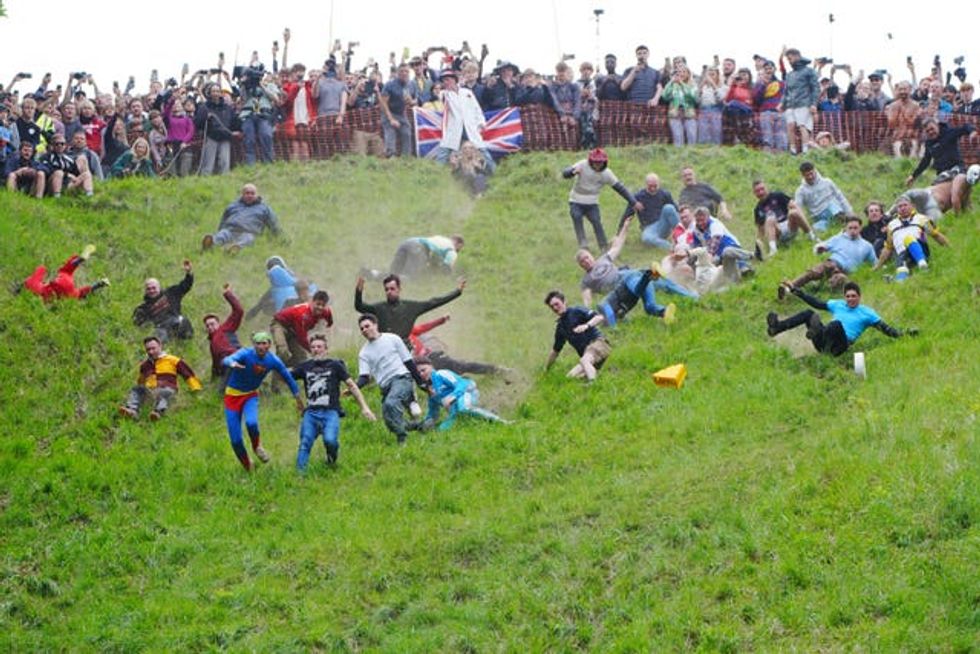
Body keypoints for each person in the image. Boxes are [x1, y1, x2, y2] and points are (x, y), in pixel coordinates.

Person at [290, 334, 375, 471]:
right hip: (311, 413)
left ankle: (331, 461)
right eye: (313, 347)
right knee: (305, 442)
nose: (316, 349)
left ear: (326, 349)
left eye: (319, 347)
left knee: (330, 441)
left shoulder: (335, 365)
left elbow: (352, 385)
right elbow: (286, 377)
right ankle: (300, 476)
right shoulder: (305, 367)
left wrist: (364, 408)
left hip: (330, 412)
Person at [222, 332, 304, 470]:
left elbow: (288, 378)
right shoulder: (245, 353)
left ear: (269, 345)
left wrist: (298, 398)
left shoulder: (273, 360)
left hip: (250, 396)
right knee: (235, 440)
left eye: (264, 343)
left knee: (251, 423)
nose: (261, 347)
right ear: (254, 345)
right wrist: (232, 363)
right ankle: (248, 465)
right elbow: (227, 359)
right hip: (232, 397)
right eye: (258, 344)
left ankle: (257, 447)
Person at [767, 282, 908, 356]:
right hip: (822, 342)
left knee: (836, 324)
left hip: (839, 346)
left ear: (859, 296)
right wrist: (800, 294)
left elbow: (886, 329)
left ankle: (815, 330)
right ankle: (777, 328)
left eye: (853, 296)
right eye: (848, 296)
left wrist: (905, 335)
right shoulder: (838, 304)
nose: (850, 299)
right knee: (809, 313)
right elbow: (818, 303)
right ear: (844, 297)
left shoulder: (867, 313)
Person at [355, 313, 430, 444]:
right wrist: (354, 387)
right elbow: (364, 377)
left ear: (375, 325)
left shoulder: (392, 338)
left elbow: (408, 362)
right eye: (361, 329)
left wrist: (420, 383)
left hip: (402, 378)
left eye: (367, 326)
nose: (364, 330)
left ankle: (402, 440)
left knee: (391, 403)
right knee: (389, 422)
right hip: (385, 387)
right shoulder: (364, 353)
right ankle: (421, 425)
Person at [354, 274, 465, 349]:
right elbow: (359, 307)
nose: (389, 292)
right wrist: (358, 291)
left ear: (399, 289)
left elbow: (434, 302)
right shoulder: (378, 308)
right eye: (386, 289)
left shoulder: (411, 307)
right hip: (384, 348)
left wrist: (457, 292)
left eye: (392, 289)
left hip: (405, 349)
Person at [562, 148, 641, 250]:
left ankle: (603, 246)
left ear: (604, 162)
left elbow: (620, 188)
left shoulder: (607, 173)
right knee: (576, 217)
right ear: (591, 161)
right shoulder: (582, 164)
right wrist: (572, 172)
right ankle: (583, 244)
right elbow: (565, 173)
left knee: (596, 221)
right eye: (595, 162)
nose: (597, 165)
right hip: (576, 200)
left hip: (592, 202)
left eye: (600, 163)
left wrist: (633, 202)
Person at [779, 216, 877, 298]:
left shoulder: (867, 246)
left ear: (860, 228)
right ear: (846, 228)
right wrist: (820, 249)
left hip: (844, 272)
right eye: (850, 228)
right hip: (832, 263)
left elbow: (875, 263)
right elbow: (821, 246)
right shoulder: (839, 238)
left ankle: (819, 286)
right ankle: (790, 287)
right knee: (818, 270)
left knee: (840, 280)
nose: (852, 231)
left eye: (855, 228)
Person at [118, 336, 202, 421]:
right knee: (137, 388)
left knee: (165, 392)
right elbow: (141, 381)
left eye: (153, 348)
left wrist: (196, 389)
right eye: (148, 349)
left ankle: (158, 413)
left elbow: (188, 374)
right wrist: (141, 390)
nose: (151, 352)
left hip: (168, 389)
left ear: (160, 346)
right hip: (151, 392)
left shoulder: (173, 360)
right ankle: (132, 410)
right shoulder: (144, 365)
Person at [416, 357, 507, 431]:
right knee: (441, 430)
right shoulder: (430, 390)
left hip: (467, 392)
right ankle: (486, 412)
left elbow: (462, 384)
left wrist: (453, 396)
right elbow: (433, 412)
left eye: (423, 370)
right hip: (455, 409)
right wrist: (427, 422)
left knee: (463, 408)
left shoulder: (441, 374)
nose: (421, 374)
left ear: (431, 366)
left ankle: (501, 421)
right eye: (418, 373)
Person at [431, 69, 495, 171]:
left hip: (470, 127)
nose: (445, 82)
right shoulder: (444, 94)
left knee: (482, 150)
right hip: (454, 128)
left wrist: (481, 122)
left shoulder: (467, 92)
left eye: (448, 79)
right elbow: (440, 96)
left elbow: (476, 108)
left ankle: (494, 174)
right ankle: (436, 177)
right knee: (444, 153)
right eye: (444, 80)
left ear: (454, 80)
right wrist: (449, 89)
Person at [874, 195, 950, 279]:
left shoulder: (921, 218)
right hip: (903, 255)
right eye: (900, 206)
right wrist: (878, 266)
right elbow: (888, 248)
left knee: (908, 238)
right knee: (901, 269)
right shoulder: (891, 225)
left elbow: (936, 235)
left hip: (921, 250)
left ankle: (922, 263)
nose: (903, 208)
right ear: (897, 209)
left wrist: (949, 248)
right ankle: (898, 281)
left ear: (912, 206)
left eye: (905, 205)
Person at [544, 290, 610, 383]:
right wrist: (546, 369)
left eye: (556, 304)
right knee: (570, 377)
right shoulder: (560, 328)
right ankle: (595, 375)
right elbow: (555, 351)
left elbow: (599, 317)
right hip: (588, 356)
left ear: (564, 301)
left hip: (598, 344)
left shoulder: (576, 311)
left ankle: (593, 384)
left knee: (584, 361)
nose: (555, 308)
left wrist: (587, 325)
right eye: (552, 307)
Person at [409, 315, 508, 377]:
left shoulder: (407, 330)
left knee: (462, 366)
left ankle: (496, 370)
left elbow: (423, 327)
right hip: (419, 369)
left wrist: (441, 320)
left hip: (432, 358)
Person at [201, 183, 282, 253]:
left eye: (252, 193)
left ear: (257, 195)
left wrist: (279, 237)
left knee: (248, 239)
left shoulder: (264, 208)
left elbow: (273, 223)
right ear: (242, 194)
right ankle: (211, 244)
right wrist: (220, 230)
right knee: (222, 234)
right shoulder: (233, 206)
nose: (250, 195)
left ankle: (234, 249)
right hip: (230, 230)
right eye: (247, 193)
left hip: (248, 232)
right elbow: (223, 221)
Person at [132, 259, 194, 342]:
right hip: (162, 329)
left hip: (177, 322)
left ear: (159, 287)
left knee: (183, 321)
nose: (151, 291)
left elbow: (185, 286)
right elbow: (138, 324)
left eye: (154, 288)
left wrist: (189, 273)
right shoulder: (143, 308)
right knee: (159, 335)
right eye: (148, 289)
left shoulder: (171, 293)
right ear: (145, 291)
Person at [19, 244, 108, 301]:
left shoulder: (40, 291)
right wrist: (42, 271)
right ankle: (79, 260)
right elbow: (40, 269)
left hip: (64, 293)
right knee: (66, 271)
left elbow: (31, 280)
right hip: (64, 284)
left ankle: (101, 283)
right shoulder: (36, 286)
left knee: (80, 293)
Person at [271, 290, 333, 369]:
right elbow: (301, 338)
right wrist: (312, 350)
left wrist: (329, 325)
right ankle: (275, 371)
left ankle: (283, 370)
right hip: (279, 324)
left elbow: (329, 320)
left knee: (301, 358)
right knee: (283, 351)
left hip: (293, 331)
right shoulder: (303, 314)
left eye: (323, 305)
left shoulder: (325, 311)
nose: (320, 307)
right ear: (312, 302)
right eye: (318, 304)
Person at [752, 179, 815, 257]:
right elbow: (760, 230)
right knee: (770, 218)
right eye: (757, 191)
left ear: (766, 188)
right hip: (776, 232)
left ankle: (811, 236)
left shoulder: (778, 195)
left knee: (793, 212)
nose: (761, 192)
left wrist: (803, 220)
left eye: (762, 189)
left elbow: (795, 207)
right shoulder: (758, 209)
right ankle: (773, 250)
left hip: (789, 225)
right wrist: (758, 248)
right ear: (754, 193)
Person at [688, 206, 753, 282]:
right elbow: (696, 246)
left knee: (728, 253)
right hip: (716, 254)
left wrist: (710, 255)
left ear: (708, 217)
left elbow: (715, 240)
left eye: (702, 220)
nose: (700, 223)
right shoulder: (695, 230)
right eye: (698, 220)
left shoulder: (714, 224)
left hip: (729, 246)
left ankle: (745, 267)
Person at [905, 118, 976, 187]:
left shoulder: (949, 132)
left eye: (932, 129)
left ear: (937, 126)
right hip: (942, 173)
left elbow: (965, 127)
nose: (931, 132)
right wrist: (913, 176)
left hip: (957, 168)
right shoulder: (929, 143)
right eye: (927, 131)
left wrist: (972, 131)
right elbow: (925, 161)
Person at [621, 173, 679, 250]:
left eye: (655, 186)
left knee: (669, 208)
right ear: (645, 184)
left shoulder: (665, 194)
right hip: (649, 228)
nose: (653, 188)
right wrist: (619, 234)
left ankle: (683, 237)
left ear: (659, 184)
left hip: (663, 224)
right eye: (650, 186)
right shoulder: (638, 197)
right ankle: (672, 248)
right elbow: (627, 215)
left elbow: (675, 210)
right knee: (646, 238)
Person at [203, 283, 244, 391]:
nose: (210, 327)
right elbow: (216, 364)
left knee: (222, 391)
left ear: (218, 323)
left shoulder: (226, 328)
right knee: (221, 391)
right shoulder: (212, 343)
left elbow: (238, 311)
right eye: (207, 326)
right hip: (227, 366)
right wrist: (212, 380)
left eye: (212, 324)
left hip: (236, 358)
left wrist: (228, 294)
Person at [780, 48, 820, 155]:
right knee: (790, 125)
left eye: (790, 58)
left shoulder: (809, 71)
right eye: (788, 59)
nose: (789, 61)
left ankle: (805, 151)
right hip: (790, 105)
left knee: (803, 126)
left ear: (797, 56)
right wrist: (781, 103)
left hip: (804, 103)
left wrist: (813, 104)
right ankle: (792, 151)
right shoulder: (789, 75)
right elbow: (786, 91)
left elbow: (815, 88)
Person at [794, 161, 853, 232]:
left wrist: (849, 212)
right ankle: (831, 223)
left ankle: (843, 219)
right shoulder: (800, 191)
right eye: (807, 175)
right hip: (818, 214)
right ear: (802, 175)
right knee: (818, 228)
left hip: (833, 208)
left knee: (833, 205)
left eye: (811, 173)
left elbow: (840, 196)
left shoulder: (827, 182)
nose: (810, 177)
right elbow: (798, 208)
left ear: (815, 171)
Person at [194, 83, 237, 175]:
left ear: (221, 93)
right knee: (208, 162)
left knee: (224, 162)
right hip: (211, 136)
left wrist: (237, 130)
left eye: (217, 91)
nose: (215, 93)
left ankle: (225, 181)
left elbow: (234, 121)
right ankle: (205, 180)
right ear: (210, 93)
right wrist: (205, 117)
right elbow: (198, 123)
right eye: (213, 91)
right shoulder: (204, 107)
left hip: (225, 136)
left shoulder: (227, 107)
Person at [379, 235, 464, 278]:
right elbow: (446, 269)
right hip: (419, 248)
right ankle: (375, 276)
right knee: (409, 277)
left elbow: (433, 255)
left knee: (393, 273)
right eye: (460, 248)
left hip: (409, 241)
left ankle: (374, 274)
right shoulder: (452, 251)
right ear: (458, 244)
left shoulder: (440, 238)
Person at [379, 64, 417, 158]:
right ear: (397, 73)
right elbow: (383, 103)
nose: (404, 73)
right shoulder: (390, 84)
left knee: (407, 132)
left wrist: (411, 101)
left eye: (406, 71)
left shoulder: (411, 84)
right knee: (390, 132)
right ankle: (391, 156)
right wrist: (391, 119)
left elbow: (416, 99)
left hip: (401, 114)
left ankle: (406, 157)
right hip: (388, 112)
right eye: (402, 71)